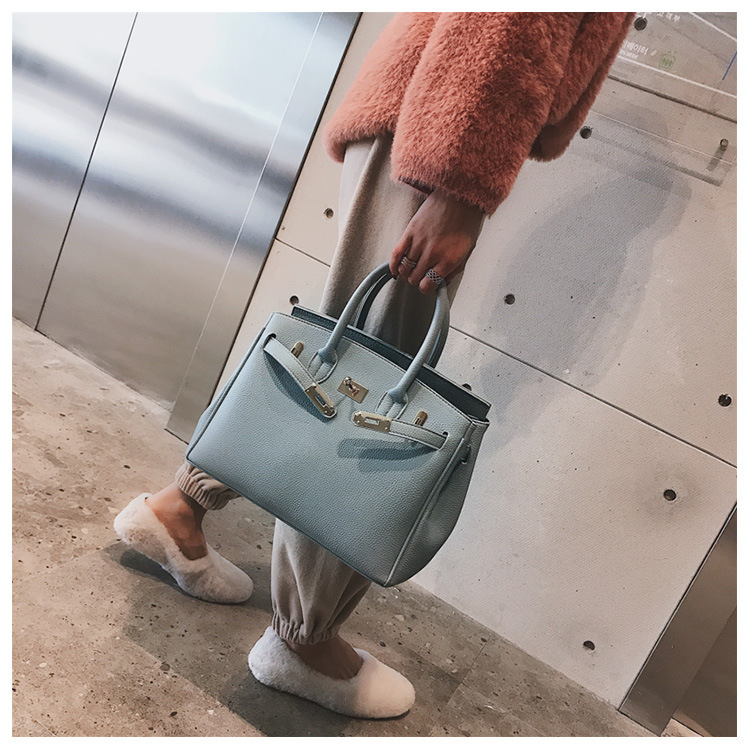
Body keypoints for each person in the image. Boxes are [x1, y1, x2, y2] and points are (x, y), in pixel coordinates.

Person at [114, 12, 635, 720]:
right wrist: (458, 186)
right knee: (366, 399)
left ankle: (180, 510)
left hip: (422, 115)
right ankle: (301, 641)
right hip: (443, 126)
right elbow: (508, 23)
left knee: (335, 375)